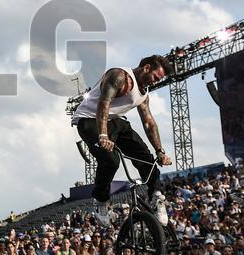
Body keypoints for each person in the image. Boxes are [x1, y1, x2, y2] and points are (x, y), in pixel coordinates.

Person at [71, 55, 174, 225]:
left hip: (114, 121)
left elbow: (149, 123)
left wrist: (160, 151)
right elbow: (103, 103)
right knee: (111, 160)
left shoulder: (144, 94)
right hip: (89, 121)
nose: (155, 82)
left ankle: (156, 196)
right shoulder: (119, 76)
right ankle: (101, 200)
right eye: (155, 77)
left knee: (146, 158)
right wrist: (103, 135)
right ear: (146, 68)